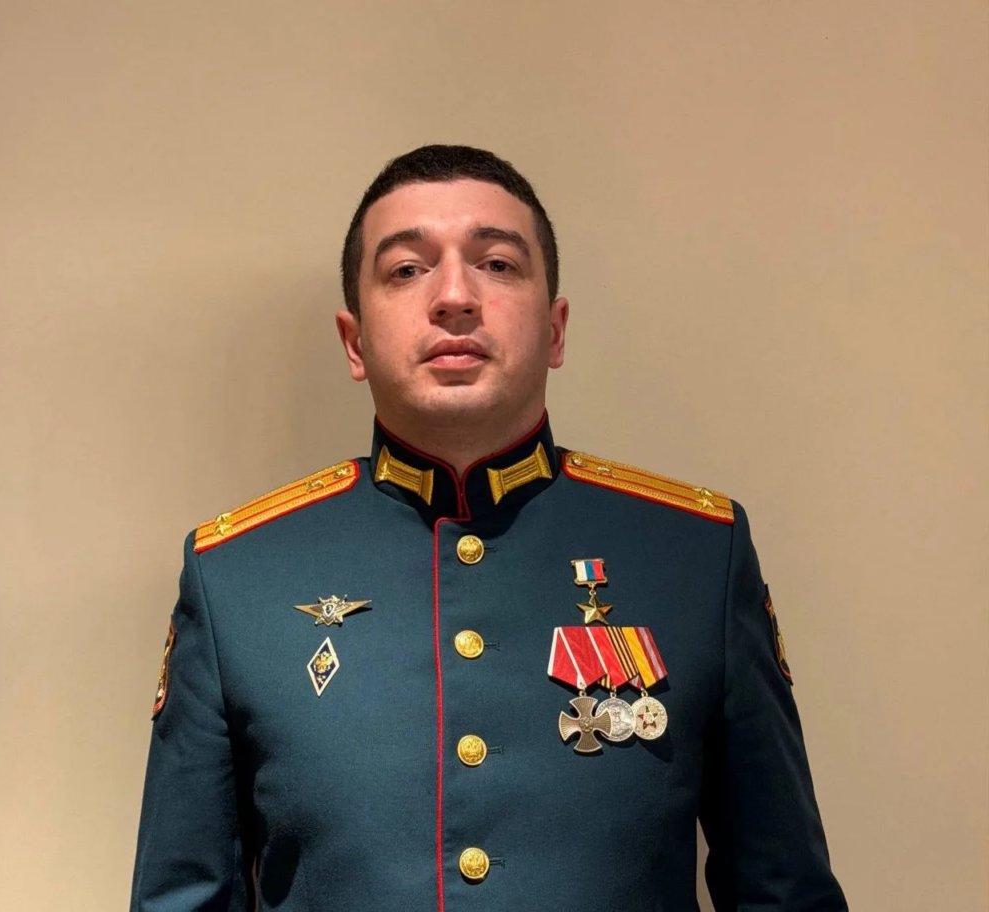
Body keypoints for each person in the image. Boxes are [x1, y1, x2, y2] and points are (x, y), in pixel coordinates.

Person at [131, 145, 847, 911]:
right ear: (354, 342)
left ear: (557, 329)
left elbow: (784, 893)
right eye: (407, 269)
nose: (454, 297)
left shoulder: (696, 554)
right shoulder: (237, 577)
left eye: (498, 264)